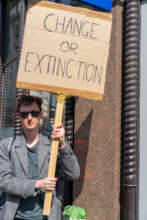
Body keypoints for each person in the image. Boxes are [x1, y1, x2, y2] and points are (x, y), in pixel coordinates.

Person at [0, 95, 80, 220]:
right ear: (19, 117)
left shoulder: (52, 145)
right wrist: (37, 184)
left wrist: (63, 144)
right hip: (15, 215)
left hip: (47, 216)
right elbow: (4, 182)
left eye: (34, 113)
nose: (30, 118)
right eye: (25, 114)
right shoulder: (7, 145)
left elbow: (73, 173)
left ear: (41, 115)